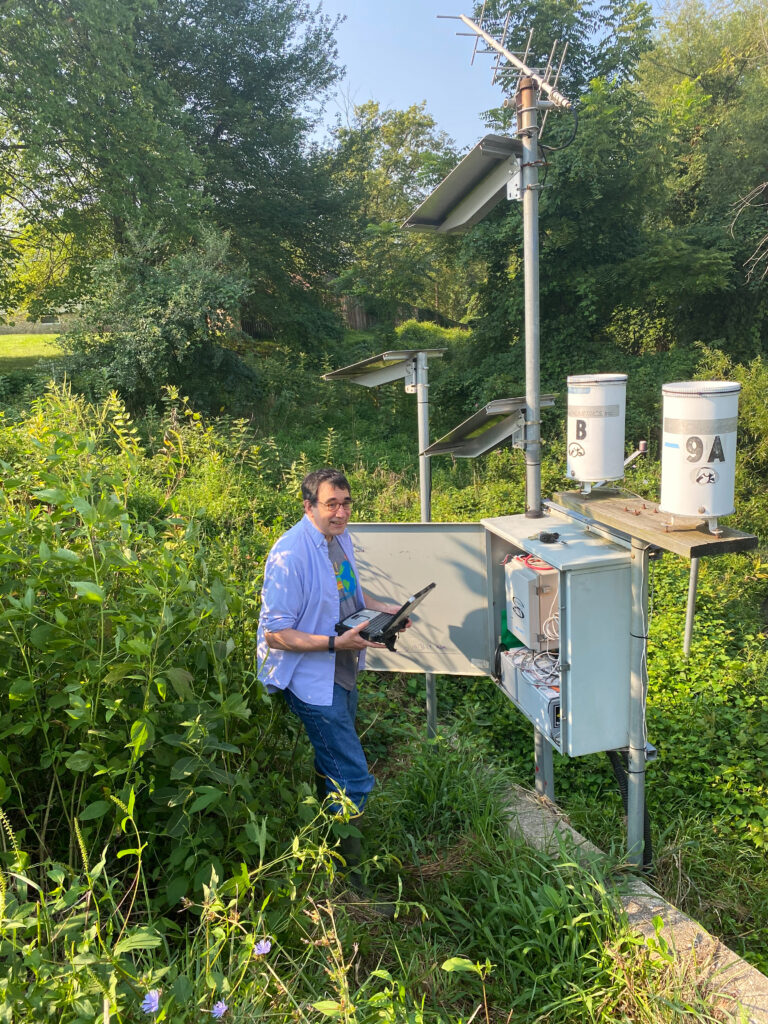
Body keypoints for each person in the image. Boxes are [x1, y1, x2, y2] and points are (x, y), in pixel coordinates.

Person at [257, 467, 406, 904]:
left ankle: (327, 849)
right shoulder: (289, 554)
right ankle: (351, 884)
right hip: (310, 680)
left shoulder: (338, 542)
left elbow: (353, 600)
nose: (340, 513)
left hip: (342, 670)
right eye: (331, 504)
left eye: (345, 504)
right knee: (353, 780)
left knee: (331, 768)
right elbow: (275, 633)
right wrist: (331, 642)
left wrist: (390, 610)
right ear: (309, 506)